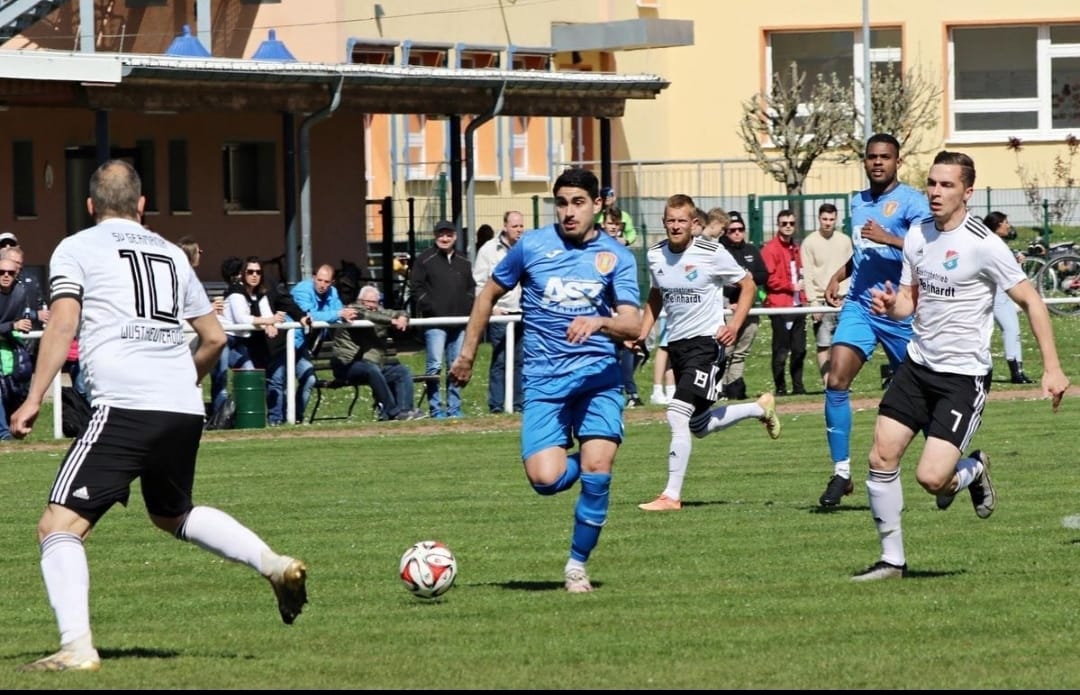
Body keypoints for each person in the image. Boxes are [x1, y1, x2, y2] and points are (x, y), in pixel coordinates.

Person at [9, 159, 307, 672]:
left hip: (124, 402)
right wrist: (178, 381)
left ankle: (76, 647)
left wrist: (35, 397)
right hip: (181, 407)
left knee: (57, 527)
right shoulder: (171, 253)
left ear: (90, 206)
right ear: (142, 205)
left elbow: (61, 324)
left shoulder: (76, 247)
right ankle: (274, 564)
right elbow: (213, 338)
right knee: (173, 514)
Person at [852, 150, 1069, 581]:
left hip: (961, 379)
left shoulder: (984, 245)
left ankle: (974, 469)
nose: (935, 191)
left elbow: (1031, 301)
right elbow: (912, 301)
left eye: (946, 185)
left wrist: (1052, 368)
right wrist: (894, 305)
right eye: (932, 182)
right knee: (880, 456)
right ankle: (892, 560)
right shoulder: (916, 234)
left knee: (932, 479)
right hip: (917, 366)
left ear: (967, 192)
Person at [449, 168, 642, 593]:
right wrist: (466, 355)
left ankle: (576, 565)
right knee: (545, 480)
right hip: (545, 382)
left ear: (597, 204)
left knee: (598, 467)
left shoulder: (617, 256)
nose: (569, 212)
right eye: (562, 203)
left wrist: (600, 322)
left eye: (578, 203)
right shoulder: (532, 245)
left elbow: (634, 324)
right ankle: (584, 469)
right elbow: (487, 295)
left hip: (598, 379)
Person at [635, 194, 782, 512]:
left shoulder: (711, 252)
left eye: (681, 220)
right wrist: (642, 333)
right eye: (670, 220)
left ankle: (671, 496)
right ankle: (760, 408)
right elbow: (656, 294)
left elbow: (747, 285)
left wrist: (735, 325)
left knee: (677, 413)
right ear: (664, 222)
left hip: (707, 345)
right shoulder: (655, 256)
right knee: (698, 425)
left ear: (693, 224)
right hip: (678, 346)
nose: (675, 226)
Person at [818, 133, 932, 508]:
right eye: (871, 157)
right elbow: (864, 249)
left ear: (897, 161)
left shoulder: (914, 203)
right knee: (836, 377)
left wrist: (891, 239)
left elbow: (930, 249)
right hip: (861, 306)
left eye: (885, 157)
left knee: (925, 395)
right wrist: (840, 273)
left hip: (900, 309)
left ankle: (956, 468)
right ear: (865, 162)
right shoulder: (858, 201)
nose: (878, 163)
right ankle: (841, 473)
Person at [410, 220, 476, 419]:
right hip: (435, 324)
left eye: (448, 235)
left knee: (457, 367)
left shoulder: (464, 261)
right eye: (441, 235)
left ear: (454, 237)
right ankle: (436, 409)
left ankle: (454, 409)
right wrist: (432, 307)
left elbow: (470, 288)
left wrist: (467, 306)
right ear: (435, 236)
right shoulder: (424, 260)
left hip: (459, 323)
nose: (445, 239)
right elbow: (416, 289)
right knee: (435, 367)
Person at [332, 284, 424, 421]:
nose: (372, 306)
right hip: (347, 365)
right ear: (361, 301)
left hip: (370, 365)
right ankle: (391, 411)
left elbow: (398, 312)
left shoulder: (378, 310)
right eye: (369, 302)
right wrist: (392, 321)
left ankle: (405, 411)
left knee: (402, 371)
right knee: (372, 370)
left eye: (376, 302)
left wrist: (403, 318)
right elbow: (367, 315)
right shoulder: (353, 309)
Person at [473, 211, 526, 413]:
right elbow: (479, 283)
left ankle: (518, 404)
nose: (519, 230)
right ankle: (496, 405)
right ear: (505, 226)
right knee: (501, 360)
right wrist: (492, 308)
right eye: (515, 226)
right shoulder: (488, 250)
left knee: (521, 361)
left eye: (521, 226)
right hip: (501, 313)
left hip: (522, 312)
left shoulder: (526, 248)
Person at [801, 203, 853, 385]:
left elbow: (852, 269)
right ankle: (827, 382)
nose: (828, 223)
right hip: (821, 300)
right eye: (825, 219)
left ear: (836, 219)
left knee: (844, 344)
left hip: (845, 298)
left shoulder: (845, 240)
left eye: (831, 219)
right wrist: (813, 302)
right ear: (818, 219)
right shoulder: (809, 242)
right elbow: (807, 274)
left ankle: (840, 381)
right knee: (823, 344)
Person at [718, 210, 768, 400]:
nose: (737, 233)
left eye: (740, 229)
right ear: (726, 232)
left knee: (741, 352)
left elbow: (764, 275)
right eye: (732, 230)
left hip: (750, 308)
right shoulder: (721, 251)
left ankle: (734, 387)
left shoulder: (752, 250)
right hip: (729, 308)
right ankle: (719, 387)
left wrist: (751, 278)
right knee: (726, 350)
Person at [983, 211, 1034, 384]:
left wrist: (1016, 261)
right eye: (1004, 222)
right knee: (1011, 330)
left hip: (1003, 294)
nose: (1007, 226)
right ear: (996, 226)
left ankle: (1018, 371)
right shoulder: (991, 243)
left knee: (1015, 331)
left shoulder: (998, 243)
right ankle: (1015, 372)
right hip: (995, 294)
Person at [761, 208, 807, 396]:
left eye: (791, 223)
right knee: (781, 350)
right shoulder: (770, 249)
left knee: (799, 349)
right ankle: (780, 388)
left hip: (798, 305)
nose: (788, 227)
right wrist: (791, 286)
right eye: (784, 224)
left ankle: (798, 387)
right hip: (779, 305)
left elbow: (801, 273)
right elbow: (769, 279)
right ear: (778, 225)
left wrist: (802, 294)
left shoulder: (796, 248)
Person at [602, 207, 644, 407]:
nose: (613, 227)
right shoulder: (598, 247)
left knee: (631, 350)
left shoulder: (623, 250)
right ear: (603, 224)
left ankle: (630, 392)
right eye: (610, 223)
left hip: (622, 308)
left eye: (616, 224)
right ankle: (624, 392)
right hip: (605, 310)